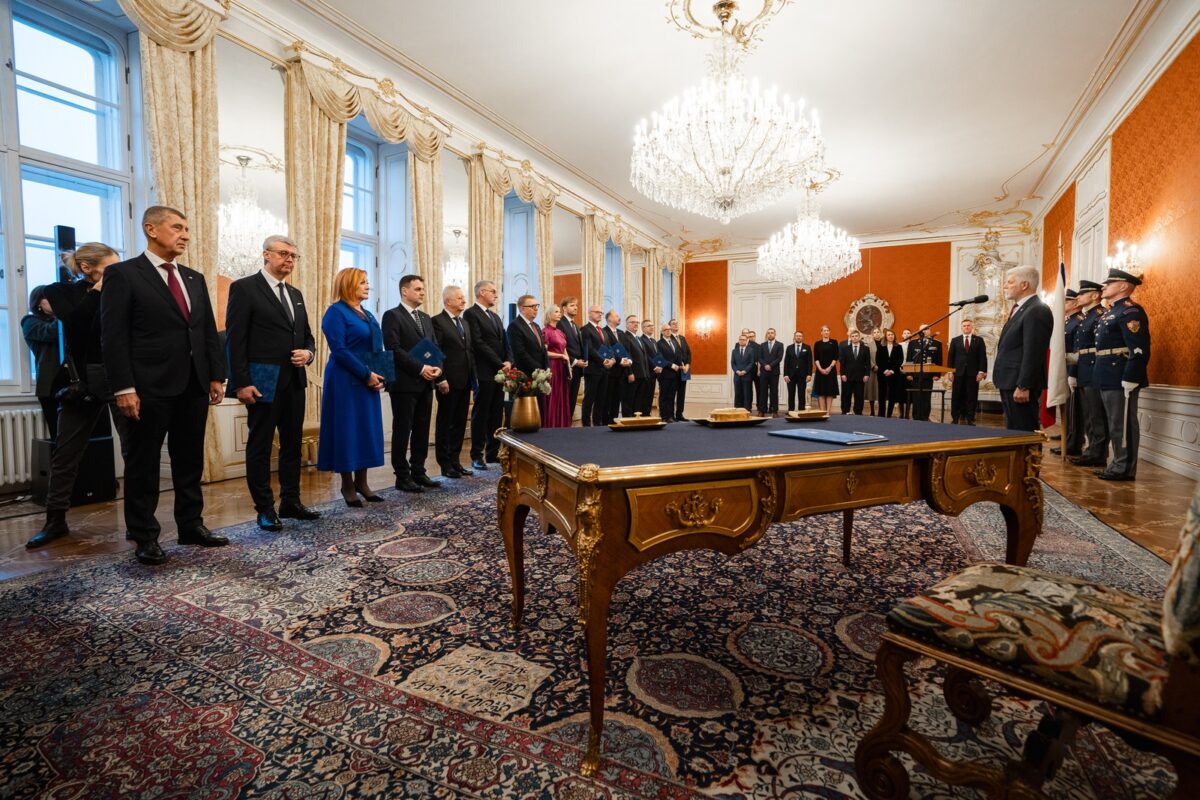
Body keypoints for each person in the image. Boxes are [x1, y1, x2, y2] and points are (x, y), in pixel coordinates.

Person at [101, 206, 227, 566]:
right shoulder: (124, 275)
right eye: (177, 227)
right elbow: (113, 336)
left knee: (189, 461)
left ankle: (191, 525)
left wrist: (216, 375)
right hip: (147, 386)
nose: (185, 234)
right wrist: (123, 387)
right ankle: (144, 535)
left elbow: (205, 333)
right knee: (143, 464)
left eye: (187, 228)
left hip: (194, 384)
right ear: (151, 229)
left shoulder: (193, 277)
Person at [26, 244, 131, 549]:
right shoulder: (60, 291)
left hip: (119, 377)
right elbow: (76, 323)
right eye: (110, 268)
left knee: (133, 451)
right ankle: (55, 520)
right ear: (87, 268)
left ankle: (138, 522)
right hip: (81, 381)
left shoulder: (121, 294)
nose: (116, 274)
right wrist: (99, 290)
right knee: (66, 454)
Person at [225, 235, 321, 532]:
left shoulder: (295, 294)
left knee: (291, 444)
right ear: (266, 254)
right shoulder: (244, 288)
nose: (289, 259)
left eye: (294, 255)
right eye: (283, 253)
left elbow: (308, 337)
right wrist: (241, 382)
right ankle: (264, 509)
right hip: (262, 379)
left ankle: (290, 501)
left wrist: (308, 354)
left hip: (294, 380)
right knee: (261, 446)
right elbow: (235, 340)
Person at [316, 268, 386, 505]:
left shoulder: (367, 313)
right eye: (363, 283)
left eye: (367, 282)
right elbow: (340, 350)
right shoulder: (335, 312)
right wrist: (366, 374)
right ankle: (347, 485)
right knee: (347, 430)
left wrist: (381, 375)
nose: (368, 286)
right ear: (348, 285)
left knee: (365, 429)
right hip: (345, 380)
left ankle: (362, 482)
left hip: (368, 379)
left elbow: (376, 347)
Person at [383, 274, 443, 494]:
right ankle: (402, 476)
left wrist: (437, 368)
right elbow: (393, 349)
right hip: (404, 383)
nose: (422, 292)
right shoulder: (392, 316)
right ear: (404, 291)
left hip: (427, 383)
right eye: (417, 289)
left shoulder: (426, 318)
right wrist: (420, 368)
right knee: (403, 430)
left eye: (423, 289)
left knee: (422, 428)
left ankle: (419, 471)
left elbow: (433, 346)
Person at [1093, 267, 1150, 481]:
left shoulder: (1130, 312)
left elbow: (1138, 347)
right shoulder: (1112, 311)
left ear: (1124, 286)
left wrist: (1132, 377)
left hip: (1120, 375)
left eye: (1109, 283)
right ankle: (1117, 463)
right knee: (1112, 422)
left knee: (1122, 422)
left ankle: (1123, 468)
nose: (1104, 286)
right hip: (1106, 374)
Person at [992, 265, 1054, 432]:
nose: (1005, 286)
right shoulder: (1023, 308)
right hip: (1010, 380)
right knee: (1013, 429)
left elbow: (1033, 352)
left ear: (1024, 285)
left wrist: (1024, 385)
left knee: (1023, 430)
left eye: (1010, 282)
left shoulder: (1037, 309)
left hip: (1019, 384)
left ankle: (1027, 459)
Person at [464, 280, 508, 470]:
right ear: (482, 292)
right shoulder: (471, 314)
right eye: (493, 291)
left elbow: (504, 341)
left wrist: (509, 361)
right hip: (482, 371)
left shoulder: (495, 316)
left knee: (496, 414)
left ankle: (492, 453)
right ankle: (476, 455)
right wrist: (499, 362)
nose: (496, 295)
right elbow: (478, 343)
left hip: (499, 372)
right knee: (481, 414)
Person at [431, 285, 475, 477]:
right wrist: (441, 378)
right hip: (447, 381)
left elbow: (468, 351)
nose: (463, 301)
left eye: (463, 297)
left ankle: (456, 461)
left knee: (458, 423)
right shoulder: (437, 322)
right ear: (448, 301)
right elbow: (436, 351)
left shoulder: (464, 323)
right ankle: (445, 463)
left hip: (465, 380)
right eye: (459, 298)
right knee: (445, 423)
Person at [1070, 280, 1109, 467]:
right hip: (1084, 367)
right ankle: (1091, 449)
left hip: (1094, 367)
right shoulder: (1087, 317)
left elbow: (1098, 345)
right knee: (1088, 414)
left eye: (1082, 294)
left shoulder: (1100, 315)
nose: (1078, 297)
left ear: (1094, 295)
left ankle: (1098, 452)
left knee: (1096, 414)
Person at [20, 286, 62, 439]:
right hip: (51, 386)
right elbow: (51, 333)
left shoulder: (61, 320)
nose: (54, 301)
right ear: (38, 303)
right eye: (49, 297)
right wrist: (63, 311)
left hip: (72, 382)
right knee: (59, 435)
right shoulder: (29, 321)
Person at [1052, 291, 1085, 455]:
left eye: (1065, 302)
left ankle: (1073, 441)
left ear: (1074, 304)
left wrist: (1073, 372)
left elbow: (1076, 351)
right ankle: (1068, 435)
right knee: (1068, 407)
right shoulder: (1068, 322)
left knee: (1075, 409)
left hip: (1074, 369)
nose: (1061, 305)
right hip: (1064, 369)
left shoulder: (1078, 321)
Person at [946, 318, 988, 425]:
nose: (966, 327)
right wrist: (950, 372)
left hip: (973, 374)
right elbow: (950, 357)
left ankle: (970, 418)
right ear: (961, 327)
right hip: (958, 373)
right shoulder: (955, 340)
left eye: (968, 325)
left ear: (972, 327)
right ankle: (955, 417)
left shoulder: (978, 340)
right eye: (964, 325)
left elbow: (982, 357)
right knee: (956, 395)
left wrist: (981, 371)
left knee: (971, 396)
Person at [580, 305, 615, 425]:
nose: (600, 314)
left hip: (605, 370)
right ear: (589, 313)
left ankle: (597, 423)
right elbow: (590, 349)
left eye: (601, 312)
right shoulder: (585, 329)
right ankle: (585, 424)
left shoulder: (603, 331)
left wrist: (612, 360)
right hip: (593, 369)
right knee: (589, 399)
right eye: (597, 312)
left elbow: (609, 348)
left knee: (601, 399)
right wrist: (603, 361)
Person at [540, 304, 572, 427]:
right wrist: (561, 356)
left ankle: (561, 424)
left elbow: (565, 351)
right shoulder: (545, 331)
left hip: (562, 368)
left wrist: (569, 368)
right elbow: (544, 353)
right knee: (552, 396)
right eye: (556, 312)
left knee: (561, 395)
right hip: (552, 366)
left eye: (559, 312)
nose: (559, 314)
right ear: (550, 314)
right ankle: (550, 424)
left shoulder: (560, 332)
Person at [556, 295, 586, 422]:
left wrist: (584, 359)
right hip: (566, 367)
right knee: (566, 400)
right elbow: (561, 346)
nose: (575, 308)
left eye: (576, 305)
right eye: (572, 305)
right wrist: (574, 361)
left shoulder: (577, 326)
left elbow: (580, 346)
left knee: (572, 399)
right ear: (564, 308)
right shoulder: (560, 323)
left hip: (578, 369)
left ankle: (569, 426)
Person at [905, 325, 944, 421]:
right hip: (916, 375)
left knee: (926, 397)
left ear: (930, 331)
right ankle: (916, 417)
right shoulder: (913, 343)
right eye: (923, 329)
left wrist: (937, 374)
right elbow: (909, 359)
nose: (925, 331)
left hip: (928, 375)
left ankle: (925, 417)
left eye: (927, 329)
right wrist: (908, 373)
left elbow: (939, 360)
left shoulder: (936, 343)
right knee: (916, 397)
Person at [508, 294, 550, 378]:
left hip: (541, 374)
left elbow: (542, 349)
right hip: (526, 375)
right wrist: (538, 369)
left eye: (537, 306)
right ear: (523, 309)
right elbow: (520, 353)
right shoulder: (514, 326)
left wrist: (547, 368)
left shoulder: (536, 326)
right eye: (532, 306)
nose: (536, 309)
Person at [619, 315, 650, 418]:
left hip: (642, 374)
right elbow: (626, 356)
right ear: (627, 324)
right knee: (629, 400)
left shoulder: (638, 338)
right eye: (632, 322)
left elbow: (643, 358)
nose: (635, 324)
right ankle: (628, 420)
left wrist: (646, 373)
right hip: (633, 375)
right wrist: (630, 372)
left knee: (638, 400)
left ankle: (636, 420)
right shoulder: (625, 337)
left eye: (637, 322)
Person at [602, 310, 629, 424]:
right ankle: (605, 422)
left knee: (617, 398)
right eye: (616, 315)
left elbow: (626, 350)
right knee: (607, 398)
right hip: (609, 371)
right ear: (609, 319)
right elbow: (606, 351)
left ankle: (614, 420)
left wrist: (628, 360)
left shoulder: (622, 333)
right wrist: (620, 360)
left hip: (621, 372)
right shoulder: (603, 332)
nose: (619, 317)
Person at [839, 329, 871, 415]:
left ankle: (858, 412)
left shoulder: (865, 349)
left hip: (860, 377)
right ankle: (845, 411)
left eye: (856, 336)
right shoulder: (845, 349)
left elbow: (868, 363)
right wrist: (843, 374)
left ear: (859, 337)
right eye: (852, 336)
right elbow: (842, 363)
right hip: (847, 376)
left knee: (859, 396)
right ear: (850, 338)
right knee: (846, 395)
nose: (854, 338)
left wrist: (867, 374)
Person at [656, 321, 683, 422]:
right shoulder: (659, 344)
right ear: (662, 332)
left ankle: (671, 416)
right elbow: (660, 359)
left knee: (672, 396)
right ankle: (664, 416)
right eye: (666, 330)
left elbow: (678, 355)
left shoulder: (674, 342)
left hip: (675, 374)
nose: (668, 331)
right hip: (665, 374)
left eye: (669, 330)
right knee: (664, 396)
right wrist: (671, 365)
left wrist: (681, 364)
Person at [877, 328, 906, 418]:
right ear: (886, 336)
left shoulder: (898, 347)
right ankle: (881, 414)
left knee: (892, 394)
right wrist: (885, 370)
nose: (891, 336)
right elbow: (878, 360)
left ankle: (889, 414)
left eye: (892, 335)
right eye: (889, 335)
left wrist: (892, 370)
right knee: (882, 394)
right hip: (882, 374)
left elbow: (900, 360)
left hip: (894, 374)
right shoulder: (881, 347)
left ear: (894, 336)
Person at [667, 319, 692, 421]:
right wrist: (679, 365)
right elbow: (670, 355)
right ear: (669, 327)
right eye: (673, 324)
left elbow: (688, 353)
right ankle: (671, 415)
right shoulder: (668, 338)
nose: (676, 325)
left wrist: (687, 364)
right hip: (674, 370)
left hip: (684, 370)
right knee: (672, 393)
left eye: (677, 323)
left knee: (682, 393)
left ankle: (680, 414)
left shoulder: (682, 338)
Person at [812, 326, 840, 412]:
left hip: (831, 371)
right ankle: (822, 411)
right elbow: (816, 358)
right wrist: (820, 369)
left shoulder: (834, 342)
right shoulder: (817, 344)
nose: (826, 332)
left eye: (828, 330)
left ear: (830, 332)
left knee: (829, 392)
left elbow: (836, 357)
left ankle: (828, 411)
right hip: (820, 371)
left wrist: (829, 368)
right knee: (821, 392)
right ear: (821, 332)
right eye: (824, 331)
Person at [782, 331, 812, 411]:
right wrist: (785, 374)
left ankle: (801, 411)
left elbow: (809, 362)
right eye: (797, 336)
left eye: (800, 336)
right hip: (791, 375)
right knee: (791, 394)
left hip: (803, 375)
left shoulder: (807, 347)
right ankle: (791, 411)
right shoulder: (789, 348)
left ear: (802, 337)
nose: (798, 337)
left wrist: (809, 374)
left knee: (801, 394)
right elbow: (786, 362)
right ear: (794, 337)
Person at [757, 327, 783, 416]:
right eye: (768, 333)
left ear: (775, 334)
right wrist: (765, 365)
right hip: (764, 372)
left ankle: (774, 411)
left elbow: (779, 358)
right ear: (767, 334)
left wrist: (770, 365)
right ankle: (762, 411)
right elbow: (759, 358)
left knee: (774, 392)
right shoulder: (762, 345)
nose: (770, 334)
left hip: (774, 372)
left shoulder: (780, 345)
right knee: (763, 391)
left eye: (772, 333)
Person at [640, 320, 663, 416]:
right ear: (643, 328)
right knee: (645, 394)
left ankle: (648, 413)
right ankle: (644, 414)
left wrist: (661, 365)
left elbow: (657, 355)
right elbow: (646, 356)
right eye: (649, 326)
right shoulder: (642, 340)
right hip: (647, 371)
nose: (652, 327)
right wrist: (655, 367)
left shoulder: (653, 340)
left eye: (652, 325)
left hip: (655, 372)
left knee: (650, 394)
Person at [731, 332, 756, 409]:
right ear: (739, 340)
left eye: (744, 340)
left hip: (747, 375)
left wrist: (745, 371)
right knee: (738, 393)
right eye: (740, 339)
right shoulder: (734, 351)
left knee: (747, 393)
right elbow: (732, 363)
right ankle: (738, 408)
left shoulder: (751, 350)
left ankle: (747, 409)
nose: (742, 341)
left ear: (747, 341)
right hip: (737, 376)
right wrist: (737, 371)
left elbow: (751, 362)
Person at [865, 328, 883, 416]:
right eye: (874, 332)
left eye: (878, 332)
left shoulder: (884, 344)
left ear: (881, 333)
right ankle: (872, 411)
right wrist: (873, 366)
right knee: (872, 391)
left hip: (883, 371)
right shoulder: (869, 345)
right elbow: (867, 357)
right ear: (872, 334)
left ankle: (881, 411)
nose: (876, 334)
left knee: (881, 391)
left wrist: (882, 367)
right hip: (873, 371)